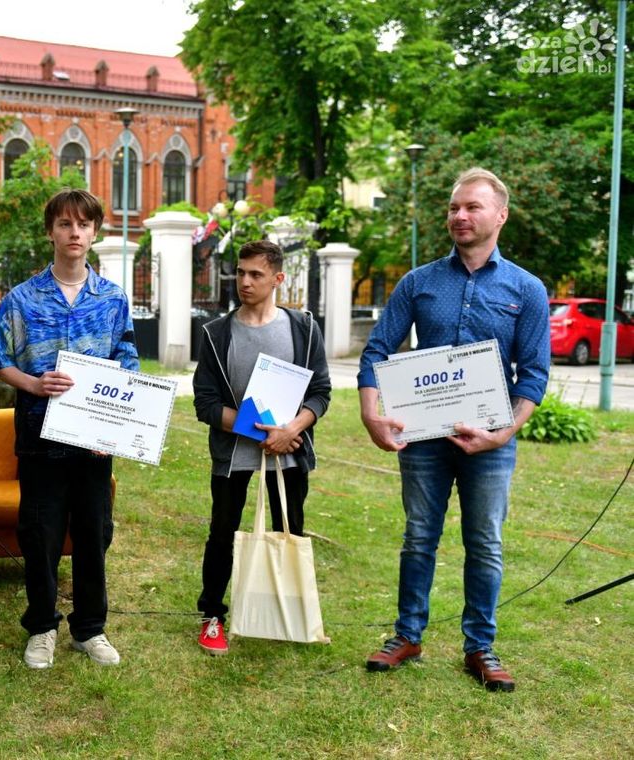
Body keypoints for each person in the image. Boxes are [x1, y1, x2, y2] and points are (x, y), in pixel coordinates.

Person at [357, 168, 549, 692]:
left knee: (484, 542)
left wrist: (504, 433)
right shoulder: (418, 282)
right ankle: (407, 635)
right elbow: (377, 351)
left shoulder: (526, 290)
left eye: (472, 207)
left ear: (500, 215)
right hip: (422, 439)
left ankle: (480, 648)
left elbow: (533, 374)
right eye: (453, 208)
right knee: (419, 537)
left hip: (489, 441)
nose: (460, 216)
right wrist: (371, 414)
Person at [0, 188, 139, 669]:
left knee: (94, 535)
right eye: (65, 225)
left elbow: (128, 358)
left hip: (95, 441)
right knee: (41, 535)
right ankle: (42, 627)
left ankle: (90, 629)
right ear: (51, 231)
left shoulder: (113, 299)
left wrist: (116, 404)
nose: (75, 233)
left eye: (84, 225)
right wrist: (32, 383)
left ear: (95, 233)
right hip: (40, 440)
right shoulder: (22, 298)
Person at [192, 239, 331, 655]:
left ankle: (281, 614)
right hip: (235, 452)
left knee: (288, 530)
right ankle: (212, 615)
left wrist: (292, 430)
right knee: (223, 533)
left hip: (289, 451)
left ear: (278, 278)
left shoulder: (302, 328)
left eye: (255, 274)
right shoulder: (217, 333)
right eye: (241, 272)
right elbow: (205, 403)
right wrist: (258, 431)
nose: (245, 282)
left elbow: (321, 391)